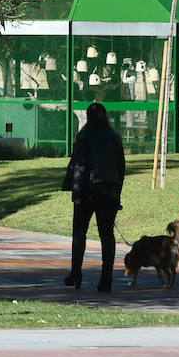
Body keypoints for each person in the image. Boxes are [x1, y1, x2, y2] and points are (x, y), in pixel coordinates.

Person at [62, 102, 126, 291]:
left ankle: (76, 273)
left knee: (79, 232)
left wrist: (76, 193)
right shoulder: (114, 137)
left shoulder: (84, 136)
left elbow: (80, 166)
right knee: (107, 234)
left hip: (88, 190)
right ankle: (106, 278)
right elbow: (121, 167)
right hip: (109, 190)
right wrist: (117, 192)